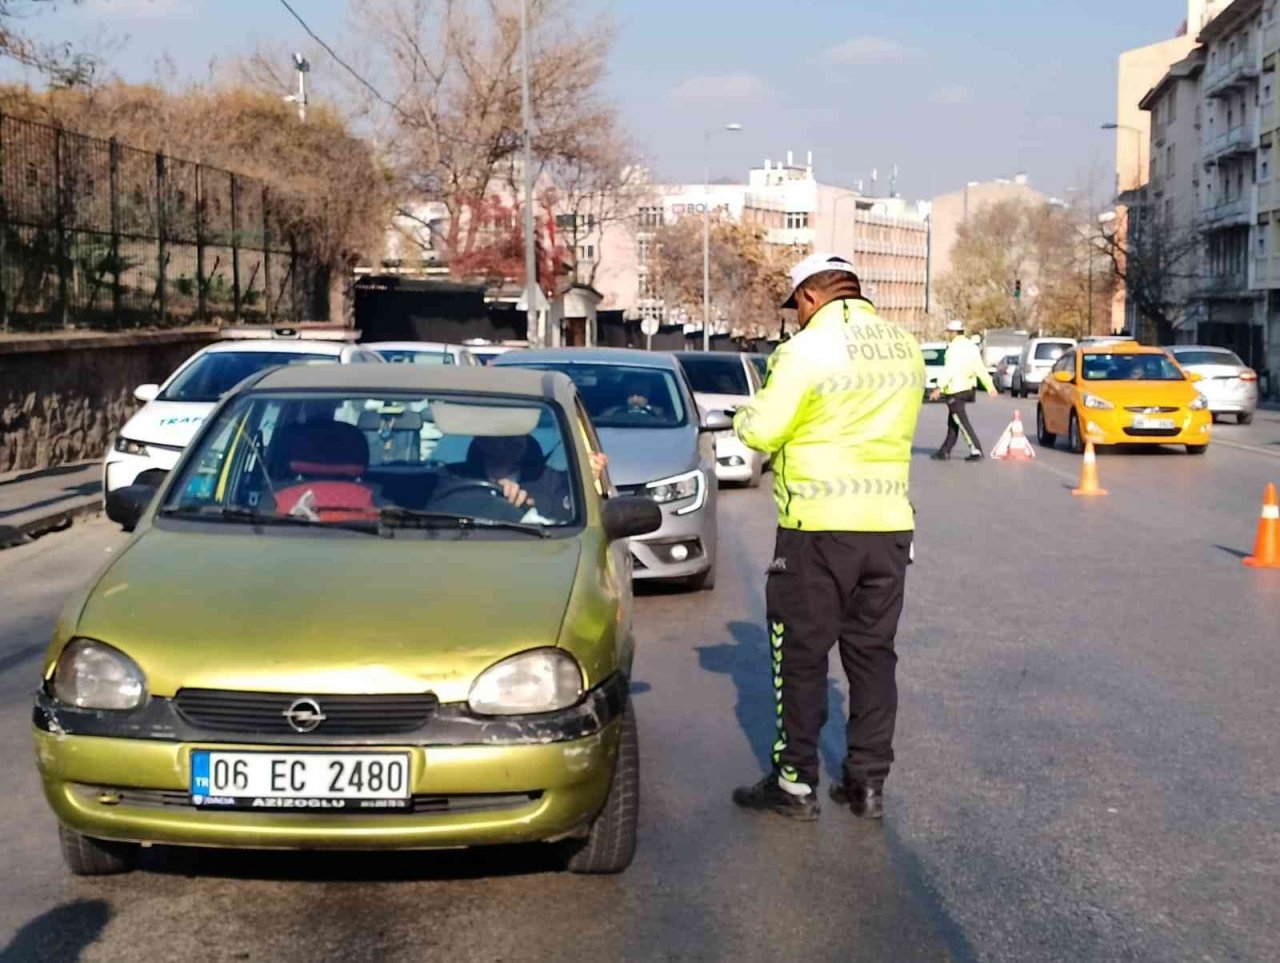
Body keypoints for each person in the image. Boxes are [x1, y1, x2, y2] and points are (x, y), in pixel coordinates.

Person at [730, 252, 924, 821]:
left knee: (802, 656)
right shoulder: (905, 347)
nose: (796, 318)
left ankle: (795, 784)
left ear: (810, 299)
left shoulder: (804, 350)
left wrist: (743, 417)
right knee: (872, 658)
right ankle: (866, 785)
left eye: (797, 309)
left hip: (817, 528)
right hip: (888, 525)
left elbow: (764, 430)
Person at [930, 319, 996, 462]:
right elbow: (980, 368)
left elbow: (949, 370)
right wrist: (989, 386)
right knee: (953, 421)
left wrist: (938, 388)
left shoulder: (953, 349)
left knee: (960, 420)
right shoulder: (971, 347)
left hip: (955, 389)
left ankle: (976, 449)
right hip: (968, 388)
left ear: (953, 333)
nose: (948, 335)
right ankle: (945, 450)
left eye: (949, 332)